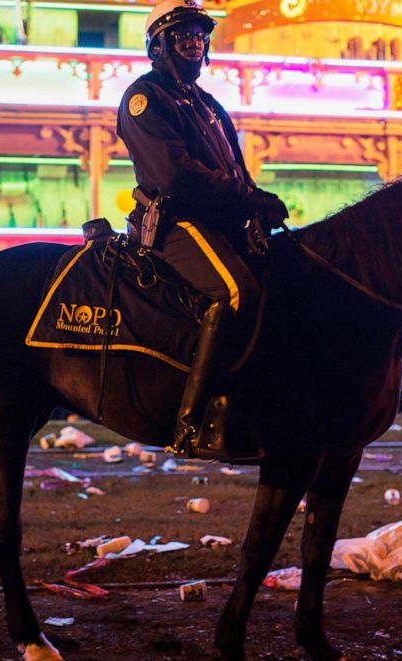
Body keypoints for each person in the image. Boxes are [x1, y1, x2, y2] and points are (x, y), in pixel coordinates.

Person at [116, 0, 289, 458]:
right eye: (183, 36)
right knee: (235, 292)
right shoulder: (144, 99)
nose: (194, 43)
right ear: (158, 45)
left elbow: (234, 169)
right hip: (176, 222)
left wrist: (256, 202)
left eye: (199, 36)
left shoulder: (207, 104)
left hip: (219, 222)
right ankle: (191, 425)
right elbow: (176, 176)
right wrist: (244, 198)